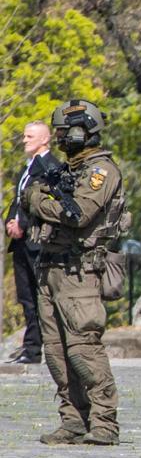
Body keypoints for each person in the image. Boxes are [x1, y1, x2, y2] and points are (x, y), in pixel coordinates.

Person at [24, 100, 125, 446]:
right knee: (55, 352)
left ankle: (104, 422)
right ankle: (73, 419)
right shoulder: (68, 170)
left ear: (83, 132)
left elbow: (79, 213)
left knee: (84, 349)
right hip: (51, 268)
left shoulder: (101, 171)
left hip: (79, 272)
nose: (61, 138)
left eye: (65, 132)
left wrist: (37, 200)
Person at [5, 120, 51, 365]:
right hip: (21, 243)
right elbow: (18, 201)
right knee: (26, 298)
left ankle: (45, 347)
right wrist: (10, 222)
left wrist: (22, 224)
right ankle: (31, 349)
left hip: (38, 241)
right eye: (24, 136)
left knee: (42, 296)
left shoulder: (50, 167)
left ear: (45, 139)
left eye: (29, 136)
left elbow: (45, 204)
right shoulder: (26, 168)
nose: (24, 140)